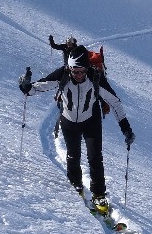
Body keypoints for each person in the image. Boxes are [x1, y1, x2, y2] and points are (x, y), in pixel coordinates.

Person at [26, 54, 135, 213]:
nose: (79, 75)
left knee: (95, 157)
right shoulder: (62, 75)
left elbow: (115, 102)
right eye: (75, 71)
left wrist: (126, 128)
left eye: (82, 71)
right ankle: (76, 185)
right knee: (73, 154)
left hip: (91, 121)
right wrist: (26, 87)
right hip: (69, 122)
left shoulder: (94, 77)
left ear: (87, 69)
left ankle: (98, 195)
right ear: (69, 68)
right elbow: (39, 87)